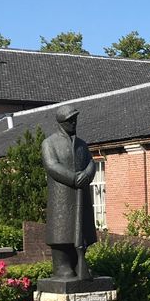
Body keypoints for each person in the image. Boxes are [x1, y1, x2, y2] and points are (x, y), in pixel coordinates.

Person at [41, 105, 98, 280]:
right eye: (70, 120)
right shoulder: (49, 143)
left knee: (82, 230)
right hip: (62, 196)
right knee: (62, 232)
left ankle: (79, 264)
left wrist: (88, 174)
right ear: (61, 122)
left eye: (75, 119)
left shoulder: (81, 144)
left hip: (81, 194)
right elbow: (51, 165)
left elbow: (91, 162)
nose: (74, 123)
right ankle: (62, 267)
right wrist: (73, 178)